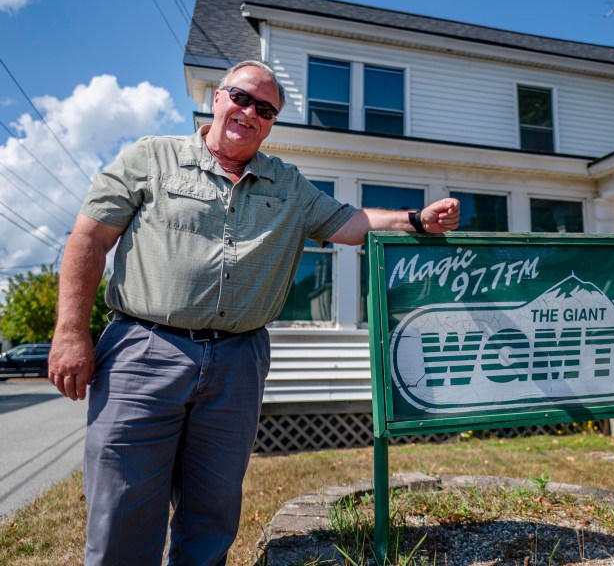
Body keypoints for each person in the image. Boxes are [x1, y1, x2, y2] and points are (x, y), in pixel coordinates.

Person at [49, 59, 459, 565]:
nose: (250, 112)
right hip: (143, 349)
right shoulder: (150, 158)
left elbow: (348, 222)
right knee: (123, 510)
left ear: (270, 123)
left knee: (212, 513)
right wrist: (70, 332)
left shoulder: (286, 184)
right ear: (217, 98)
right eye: (241, 98)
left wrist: (414, 219)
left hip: (237, 363)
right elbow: (88, 239)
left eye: (265, 109)